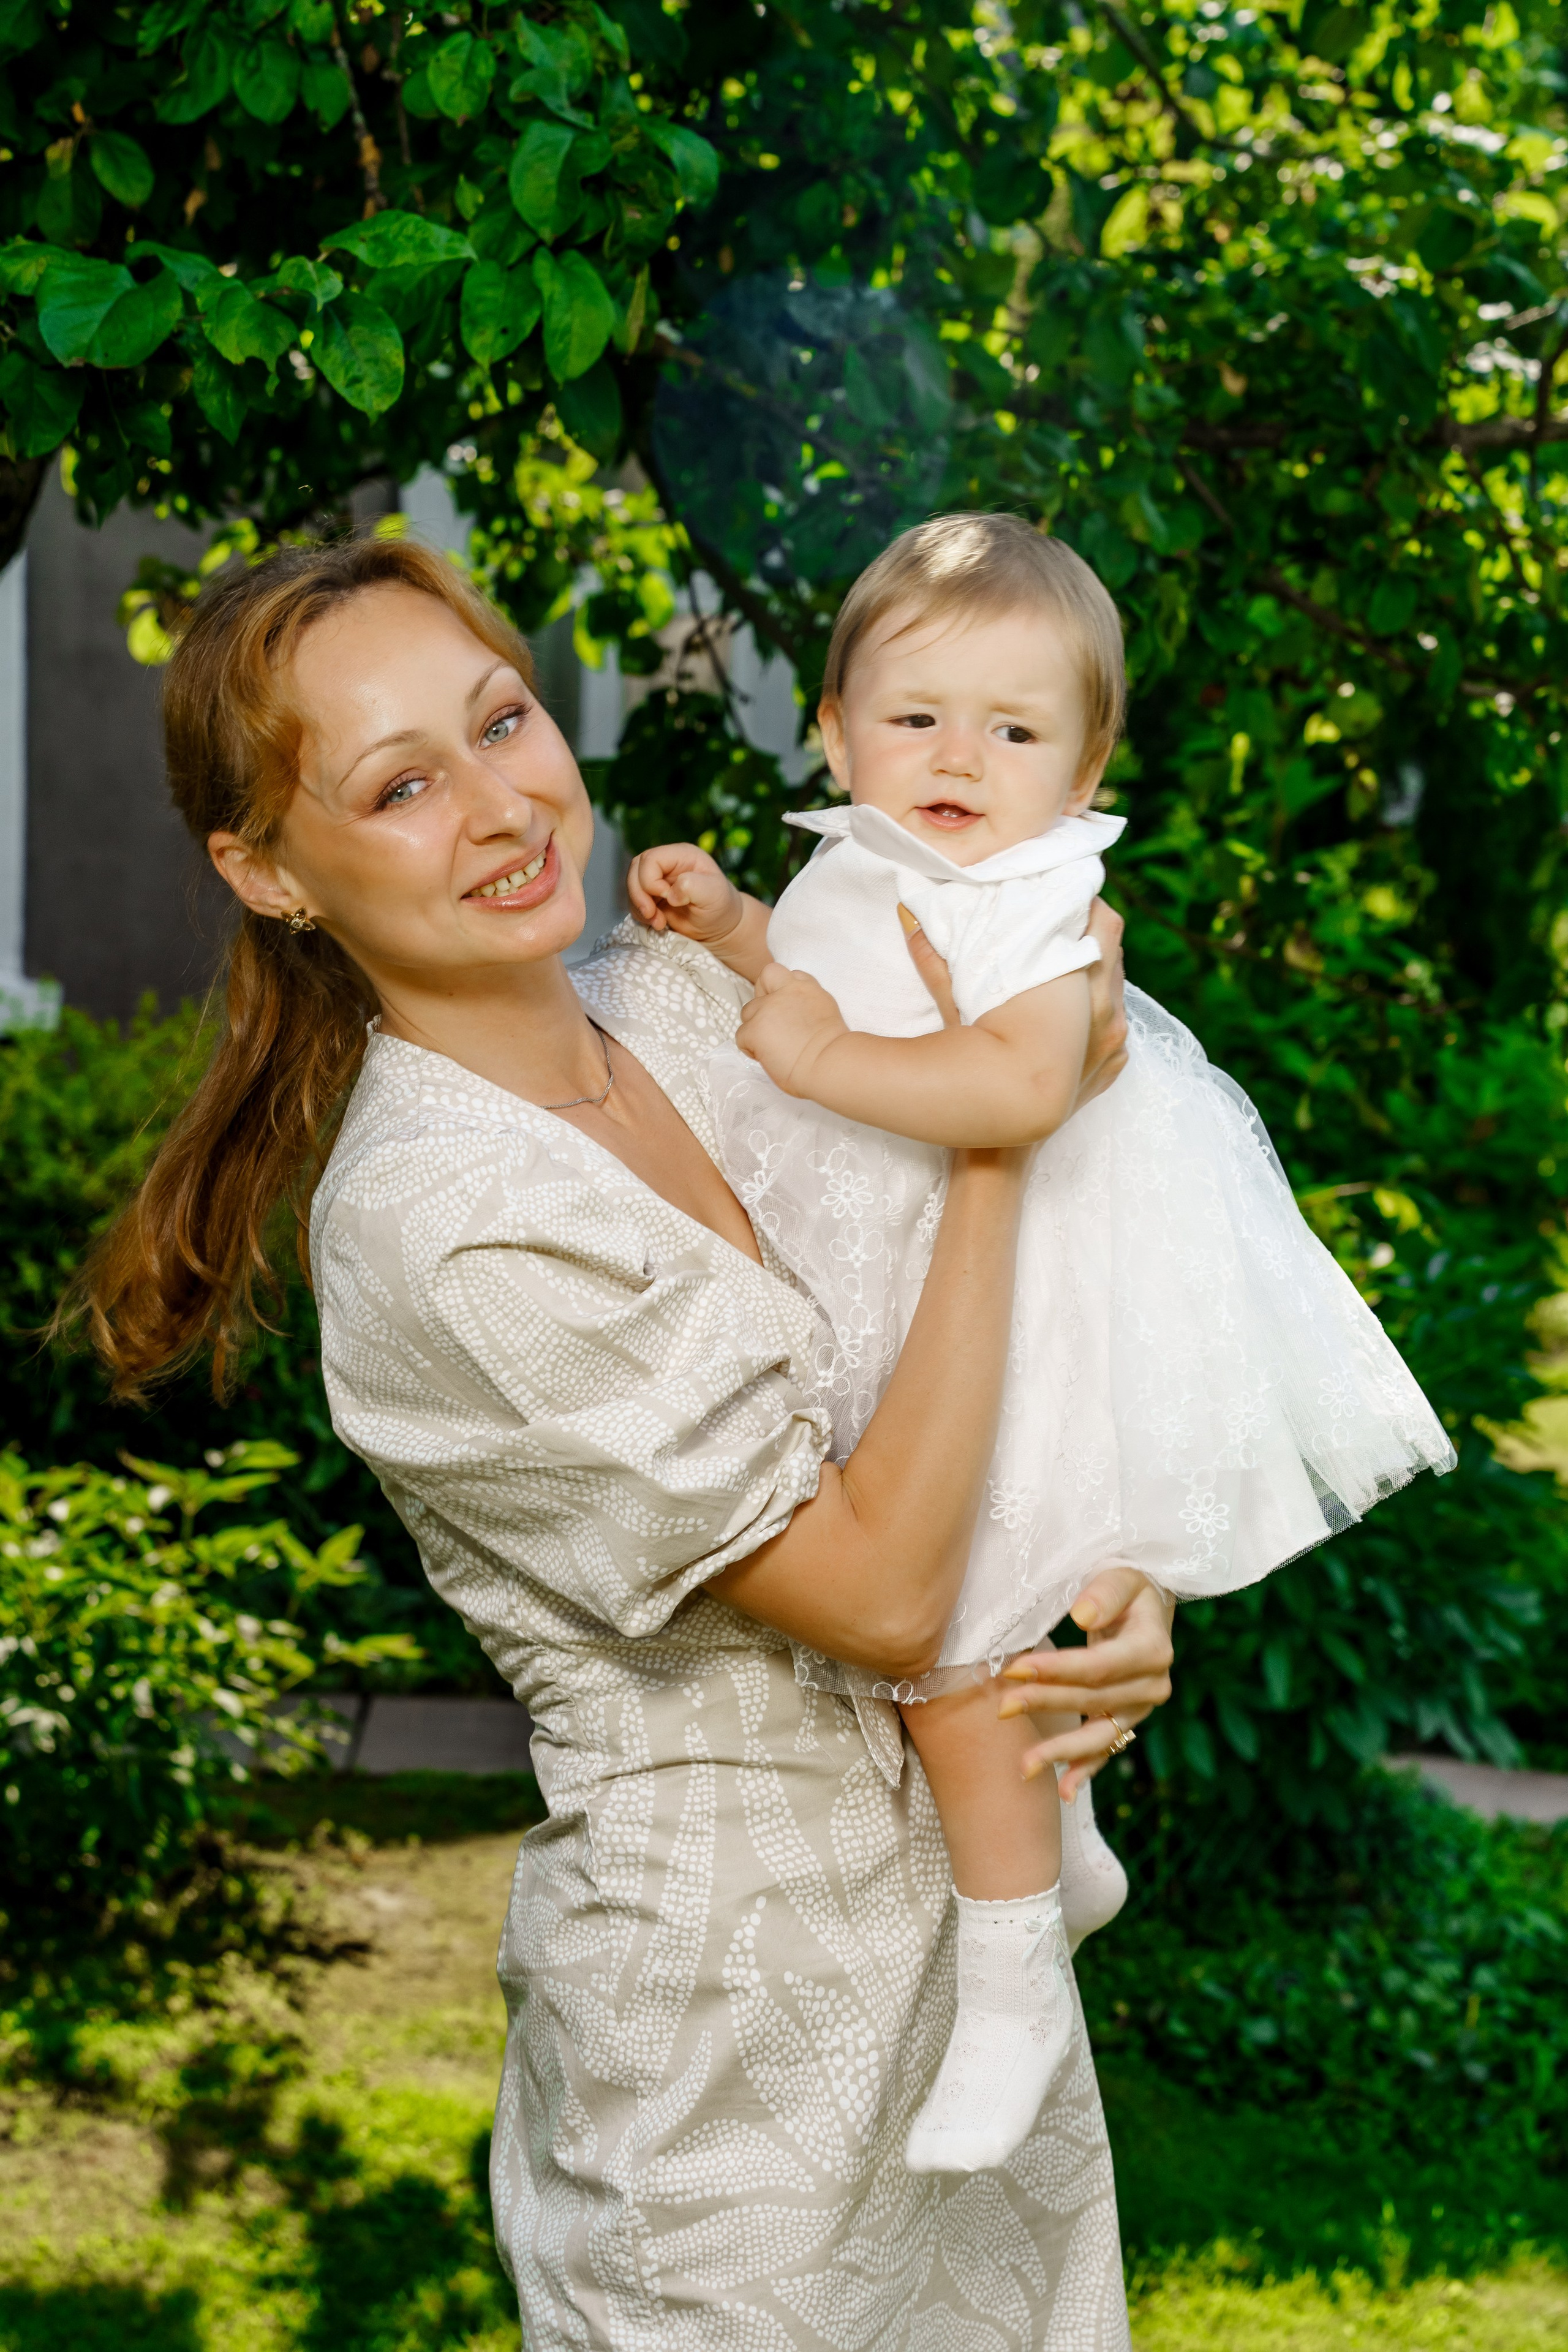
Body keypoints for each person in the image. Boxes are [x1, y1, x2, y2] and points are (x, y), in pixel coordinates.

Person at [74, 532, 1176, 2351]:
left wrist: (1109, 1593)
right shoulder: (439, 1227)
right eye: (400, 784)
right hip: (727, 2059)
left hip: (985, 1992)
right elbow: (888, 1596)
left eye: (502, 720)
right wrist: (1000, 1132)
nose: (500, 806)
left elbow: (983, 1361)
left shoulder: (687, 1002)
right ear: (267, 869)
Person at [627, 512, 1456, 2177]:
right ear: (838, 727)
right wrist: (733, 937)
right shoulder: (866, 859)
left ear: (1086, 773)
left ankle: (1013, 1977)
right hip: (914, 1274)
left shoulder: (1039, 898)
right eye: (919, 718)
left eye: (1015, 733)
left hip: (1043, 1284)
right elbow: (817, 966)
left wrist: (802, 1050)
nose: (959, 760)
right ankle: (1062, 1846)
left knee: (968, 1653)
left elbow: (1014, 1091)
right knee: (989, 1603)